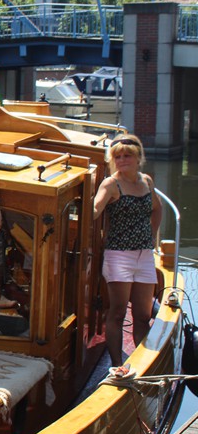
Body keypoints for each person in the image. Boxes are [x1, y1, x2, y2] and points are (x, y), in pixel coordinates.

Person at [93, 134, 162, 367]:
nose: (122, 160)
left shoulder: (146, 181)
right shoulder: (111, 184)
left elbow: (157, 208)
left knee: (142, 315)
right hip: (118, 256)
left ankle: (140, 365)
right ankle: (117, 365)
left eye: (127, 156)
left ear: (138, 158)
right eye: (118, 157)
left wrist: (152, 235)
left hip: (144, 255)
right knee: (118, 313)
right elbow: (95, 209)